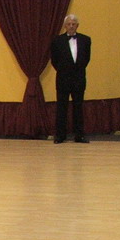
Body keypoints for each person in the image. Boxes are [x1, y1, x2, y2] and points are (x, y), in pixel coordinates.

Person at [50, 14, 91, 144]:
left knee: (78, 108)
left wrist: (77, 71)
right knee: (61, 108)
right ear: (65, 26)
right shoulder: (57, 41)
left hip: (79, 79)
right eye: (69, 24)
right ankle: (60, 136)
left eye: (74, 24)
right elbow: (54, 61)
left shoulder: (86, 40)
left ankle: (79, 135)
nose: (71, 26)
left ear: (77, 26)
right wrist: (64, 71)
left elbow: (86, 59)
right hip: (63, 79)